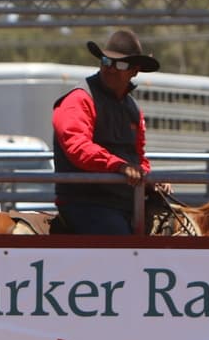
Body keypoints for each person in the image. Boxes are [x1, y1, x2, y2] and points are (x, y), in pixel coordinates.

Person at [51, 28, 158, 236]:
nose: (111, 68)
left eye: (121, 64)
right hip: (86, 203)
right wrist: (118, 166)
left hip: (125, 202)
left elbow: (138, 157)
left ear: (134, 70)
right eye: (106, 61)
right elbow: (78, 147)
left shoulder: (133, 109)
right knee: (120, 244)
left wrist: (149, 178)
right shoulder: (80, 99)